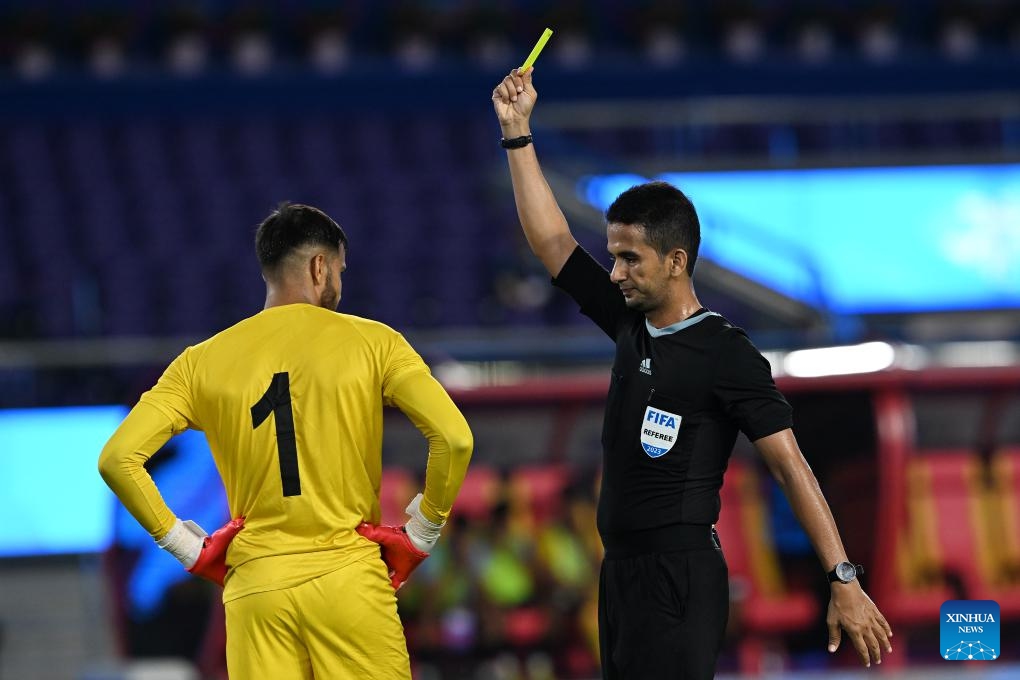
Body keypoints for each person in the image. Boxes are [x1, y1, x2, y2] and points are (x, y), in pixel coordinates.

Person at [491, 68, 893, 679]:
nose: (616, 272)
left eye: (630, 258)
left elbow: (790, 466)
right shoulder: (629, 323)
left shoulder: (725, 352)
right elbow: (551, 240)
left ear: (676, 261)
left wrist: (843, 578)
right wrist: (518, 133)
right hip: (619, 573)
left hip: (679, 577)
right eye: (613, 256)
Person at [99, 203, 473, 679]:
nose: (339, 283)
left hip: (256, 587)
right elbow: (454, 438)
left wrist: (184, 545)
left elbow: (116, 459)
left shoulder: (201, 362)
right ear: (320, 267)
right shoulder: (376, 342)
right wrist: (424, 530)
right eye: (339, 270)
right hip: (349, 580)